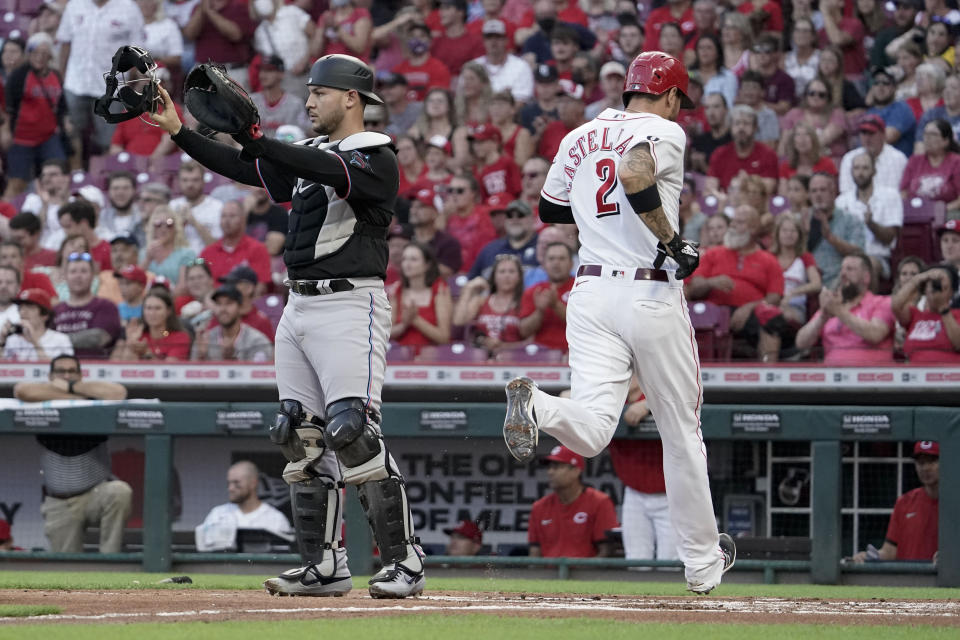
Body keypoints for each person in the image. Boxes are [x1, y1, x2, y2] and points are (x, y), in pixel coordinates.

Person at [149, 53, 426, 598]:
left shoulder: (375, 153)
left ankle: (405, 561)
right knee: (299, 434)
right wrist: (180, 130)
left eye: (319, 92)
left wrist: (257, 139)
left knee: (353, 432)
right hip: (297, 306)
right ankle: (325, 566)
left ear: (351, 98)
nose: (309, 101)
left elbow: (321, 169)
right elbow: (248, 170)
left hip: (350, 305)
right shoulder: (312, 155)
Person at [503, 51, 735, 593]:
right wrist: (672, 241)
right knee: (681, 434)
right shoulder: (664, 130)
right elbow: (632, 171)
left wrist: (601, 210)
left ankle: (535, 403)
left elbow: (551, 210)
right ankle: (702, 564)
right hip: (648, 290)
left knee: (591, 429)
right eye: (680, 100)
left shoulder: (577, 135)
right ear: (671, 94)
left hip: (588, 292)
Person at [13, 355, 131, 553]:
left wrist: (69, 387)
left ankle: (110, 559)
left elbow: (119, 392)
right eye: (61, 371)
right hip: (59, 501)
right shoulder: (45, 397)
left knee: (120, 491)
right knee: (67, 569)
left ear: (81, 375)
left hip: (96, 493)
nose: (67, 375)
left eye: (72, 371)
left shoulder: (94, 393)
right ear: (51, 376)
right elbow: (22, 390)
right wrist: (78, 399)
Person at [686, 204, 786, 361]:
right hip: (714, 311)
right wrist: (711, 283)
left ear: (753, 228)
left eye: (740, 222)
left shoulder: (769, 261)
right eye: (733, 221)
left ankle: (768, 375)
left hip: (751, 313)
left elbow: (775, 297)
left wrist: (749, 307)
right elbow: (693, 288)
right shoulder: (713, 254)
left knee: (772, 320)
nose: (732, 226)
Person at [795, 253, 896, 364]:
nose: (843, 274)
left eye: (850, 269)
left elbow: (875, 334)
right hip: (832, 376)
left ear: (866, 277)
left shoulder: (882, 302)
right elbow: (801, 343)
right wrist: (823, 317)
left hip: (871, 376)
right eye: (842, 269)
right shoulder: (831, 306)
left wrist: (839, 311)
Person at [1, 33, 68, 200]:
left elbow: (60, 105)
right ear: (28, 54)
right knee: (17, 182)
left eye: (43, 53)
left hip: (48, 137)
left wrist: (65, 123)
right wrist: (6, 131)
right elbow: (8, 107)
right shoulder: (19, 76)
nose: (39, 57)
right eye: (34, 52)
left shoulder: (55, 75)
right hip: (22, 137)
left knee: (60, 176)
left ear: (50, 55)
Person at [851, 441, 939, 563]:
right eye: (921, 462)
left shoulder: (955, 502)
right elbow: (890, 551)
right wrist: (869, 556)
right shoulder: (904, 502)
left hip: (946, 579)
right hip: (906, 578)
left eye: (932, 461)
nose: (925, 468)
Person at [527, 445, 619, 558]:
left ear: (576, 471)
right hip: (549, 573)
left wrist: (583, 574)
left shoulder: (600, 502)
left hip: (586, 573)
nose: (550, 472)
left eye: (557, 467)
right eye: (549, 467)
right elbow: (534, 554)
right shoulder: (539, 507)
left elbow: (607, 552)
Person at [195, 460, 294, 551]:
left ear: (253, 483)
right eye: (229, 483)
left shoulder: (276, 518)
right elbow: (204, 549)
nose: (230, 488)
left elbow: (281, 557)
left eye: (236, 483)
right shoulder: (217, 514)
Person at [835, 152, 903, 280]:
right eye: (857, 168)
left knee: (865, 266)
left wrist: (871, 224)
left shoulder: (890, 196)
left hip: (878, 256)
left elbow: (890, 237)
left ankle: (867, 300)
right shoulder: (841, 201)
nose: (860, 173)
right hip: (847, 256)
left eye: (865, 168)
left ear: (874, 171)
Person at [52, 252, 122, 359]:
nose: (78, 276)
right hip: (60, 369)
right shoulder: (54, 311)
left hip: (96, 370)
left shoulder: (106, 306)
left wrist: (57, 341)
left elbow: (99, 338)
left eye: (84, 271)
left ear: (93, 276)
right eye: (73, 271)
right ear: (65, 276)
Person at [454, 253, 526, 355]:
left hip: (515, 358)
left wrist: (503, 347)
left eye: (511, 271)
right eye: (502, 271)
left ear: (519, 277)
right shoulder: (481, 301)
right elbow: (459, 321)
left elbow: (531, 341)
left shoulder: (525, 303)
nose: (507, 276)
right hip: (482, 358)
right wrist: (468, 290)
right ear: (494, 276)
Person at [389, 242, 453, 349]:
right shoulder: (397, 290)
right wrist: (404, 325)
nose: (407, 264)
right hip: (401, 359)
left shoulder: (440, 290)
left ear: (427, 265)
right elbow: (386, 334)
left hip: (431, 359)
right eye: (404, 259)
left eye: (413, 259)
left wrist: (416, 320)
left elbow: (444, 337)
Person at [807, 173, 866, 287]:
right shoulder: (802, 219)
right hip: (807, 278)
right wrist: (804, 234)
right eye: (814, 191)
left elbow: (858, 253)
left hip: (838, 277)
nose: (818, 195)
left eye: (822, 190)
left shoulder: (850, 220)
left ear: (833, 192)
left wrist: (831, 238)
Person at [892, 264, 960, 362]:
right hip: (915, 374)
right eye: (932, 285)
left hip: (947, 375)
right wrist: (918, 279)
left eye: (943, 287)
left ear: (951, 292)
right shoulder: (916, 315)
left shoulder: (957, 314)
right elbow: (896, 306)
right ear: (925, 290)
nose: (935, 290)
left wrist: (943, 309)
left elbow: (958, 344)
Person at [706, 105, 778, 196]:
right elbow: (710, 190)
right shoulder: (719, 153)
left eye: (746, 123)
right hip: (725, 204)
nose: (741, 128)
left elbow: (768, 189)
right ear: (731, 127)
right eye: (737, 123)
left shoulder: (768, 154)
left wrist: (747, 183)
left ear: (755, 127)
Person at [191, 284, 273, 362]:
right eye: (219, 303)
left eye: (228, 303)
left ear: (240, 307)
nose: (222, 309)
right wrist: (201, 357)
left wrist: (232, 359)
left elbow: (260, 374)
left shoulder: (257, 341)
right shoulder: (205, 340)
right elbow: (190, 373)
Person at [199, 200, 272, 285]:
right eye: (223, 216)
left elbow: (261, 286)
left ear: (243, 219)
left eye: (232, 216)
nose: (227, 221)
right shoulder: (207, 253)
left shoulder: (258, 249)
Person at [518, 242, 574, 351]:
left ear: (571, 264)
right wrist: (539, 311)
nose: (556, 263)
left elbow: (583, 324)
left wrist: (556, 305)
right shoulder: (534, 291)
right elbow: (523, 332)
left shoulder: (580, 289)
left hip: (573, 353)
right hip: (540, 357)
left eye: (561, 259)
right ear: (544, 265)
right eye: (551, 259)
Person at [770, 214, 822, 326]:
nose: (789, 234)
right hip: (771, 303)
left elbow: (816, 284)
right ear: (777, 234)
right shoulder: (769, 257)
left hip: (794, 306)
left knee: (779, 316)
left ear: (799, 235)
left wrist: (794, 292)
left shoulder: (805, 257)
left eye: (793, 231)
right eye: (784, 230)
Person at [111, 288, 191, 361]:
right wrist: (130, 342)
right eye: (148, 308)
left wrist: (146, 353)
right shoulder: (139, 335)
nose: (152, 313)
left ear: (168, 311)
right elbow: (122, 368)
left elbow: (169, 371)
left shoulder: (178, 337)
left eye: (157, 308)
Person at [838, 115, 909, 195]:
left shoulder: (898, 159)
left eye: (871, 133)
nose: (867, 138)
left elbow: (901, 194)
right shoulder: (849, 158)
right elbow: (846, 193)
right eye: (864, 133)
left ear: (883, 134)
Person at [900, 119, 960, 213]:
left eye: (933, 134)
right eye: (925, 134)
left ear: (946, 141)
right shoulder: (914, 161)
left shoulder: (956, 162)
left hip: (946, 214)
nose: (927, 138)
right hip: (915, 213)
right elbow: (903, 193)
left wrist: (937, 211)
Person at [468, 200, 538, 280]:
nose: (514, 220)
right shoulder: (490, 250)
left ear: (532, 219)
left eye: (520, 215)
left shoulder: (542, 248)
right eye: (509, 216)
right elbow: (470, 281)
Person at [1, 288, 73, 362]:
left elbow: (62, 371)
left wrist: (35, 342)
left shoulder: (61, 340)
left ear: (45, 315)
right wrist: (2, 341)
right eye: (20, 308)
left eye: (29, 307)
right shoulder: (12, 340)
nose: (22, 312)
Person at [407, 189, 462, 277]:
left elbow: (447, 272)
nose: (414, 211)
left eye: (421, 206)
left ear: (435, 212)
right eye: (412, 206)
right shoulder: (404, 239)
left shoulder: (449, 243)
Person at [865, 66, 917, 157]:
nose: (880, 87)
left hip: (897, 164)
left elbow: (888, 137)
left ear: (894, 88)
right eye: (876, 83)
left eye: (886, 83)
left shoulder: (901, 108)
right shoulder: (870, 112)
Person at [141, 207, 197, 287]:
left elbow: (184, 286)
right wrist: (148, 259)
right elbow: (134, 280)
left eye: (169, 224)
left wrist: (161, 299)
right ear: (153, 227)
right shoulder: (143, 253)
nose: (163, 228)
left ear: (176, 228)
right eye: (158, 224)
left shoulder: (186, 254)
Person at [690, 93, 731, 175]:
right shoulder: (699, 141)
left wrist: (704, 166)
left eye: (716, 107)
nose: (711, 113)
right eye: (707, 108)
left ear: (726, 110)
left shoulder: (734, 141)